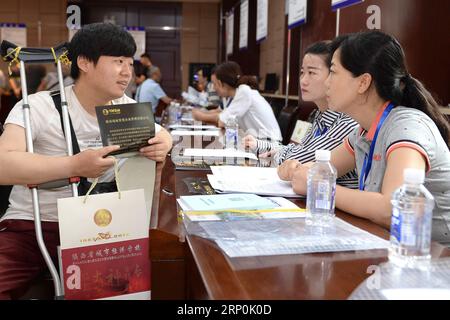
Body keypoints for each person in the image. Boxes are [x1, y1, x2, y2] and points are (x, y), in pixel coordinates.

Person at [0, 22, 173, 299]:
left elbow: (162, 134)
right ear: (84, 62)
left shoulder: (126, 109)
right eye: (118, 61)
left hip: (102, 227)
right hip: (34, 225)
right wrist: (74, 166)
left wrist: (164, 143)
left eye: (130, 62)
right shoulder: (38, 106)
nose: (128, 71)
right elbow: (3, 165)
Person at [284, 31, 450, 245]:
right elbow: (320, 168)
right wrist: (294, 169)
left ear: (363, 83)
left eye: (333, 72)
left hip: (435, 258)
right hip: (389, 246)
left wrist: (315, 184)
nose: (326, 83)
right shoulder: (363, 131)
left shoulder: (407, 126)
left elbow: (391, 208)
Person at [249, 39, 359, 188]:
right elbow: (298, 149)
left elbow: (297, 161)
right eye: (302, 72)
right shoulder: (318, 116)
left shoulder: (348, 122)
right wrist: (267, 148)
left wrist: (277, 155)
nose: (303, 80)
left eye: (312, 72)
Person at [192, 61, 282, 141]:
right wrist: (201, 114)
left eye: (215, 84)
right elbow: (221, 115)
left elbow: (222, 121)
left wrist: (199, 115)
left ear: (220, 83)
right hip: (257, 142)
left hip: (268, 145)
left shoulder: (244, 92)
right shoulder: (234, 95)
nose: (214, 88)